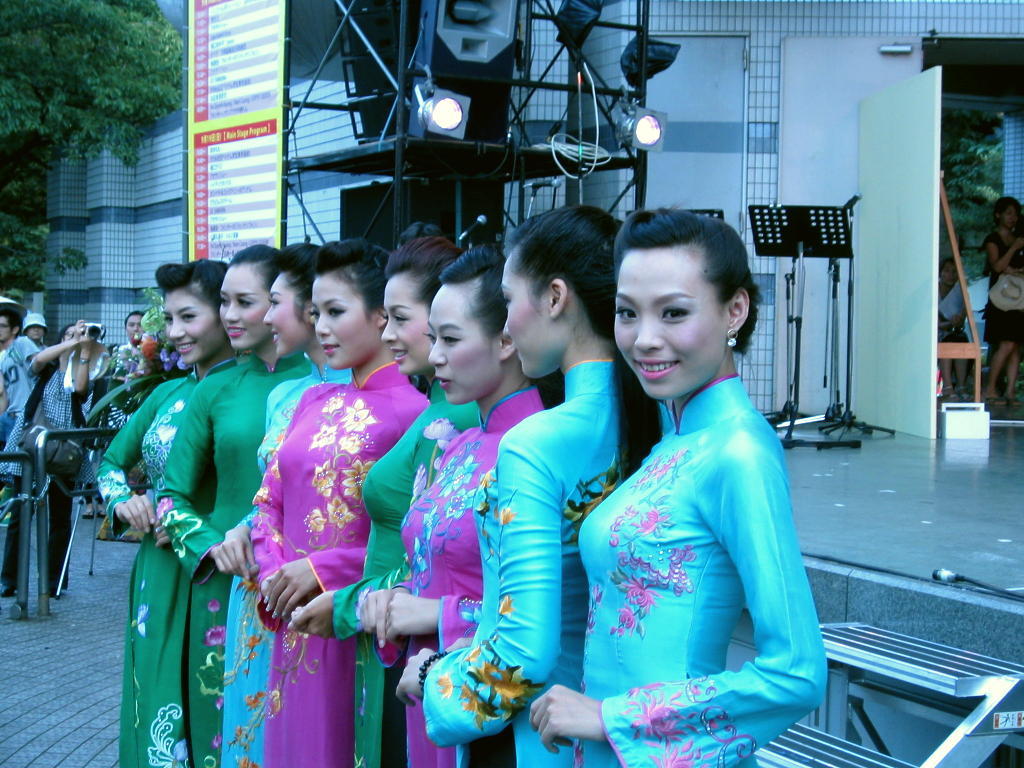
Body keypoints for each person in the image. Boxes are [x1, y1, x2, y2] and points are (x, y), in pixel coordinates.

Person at [529, 208, 826, 767]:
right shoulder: (673, 441)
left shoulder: (739, 452)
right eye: (627, 313)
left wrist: (612, 718)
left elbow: (798, 674)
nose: (644, 339)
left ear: (735, 310)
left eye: (673, 313)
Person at [415, 206, 650, 768]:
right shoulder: (650, 423)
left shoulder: (534, 442)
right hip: (615, 727)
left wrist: (433, 681)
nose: (507, 324)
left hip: (530, 739)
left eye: (508, 299)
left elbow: (522, 655)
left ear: (554, 298)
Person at [289, 236, 478, 768]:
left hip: (419, 637)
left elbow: (434, 558)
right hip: (387, 629)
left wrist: (346, 602)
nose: (388, 332)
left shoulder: (450, 420)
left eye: (400, 318)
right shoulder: (434, 410)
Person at [357, 245, 543, 768]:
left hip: (488, 707)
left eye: (452, 339)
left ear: (506, 340)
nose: (436, 355)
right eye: (434, 338)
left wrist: (437, 613)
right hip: (426, 684)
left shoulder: (535, 450)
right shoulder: (460, 445)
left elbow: (552, 614)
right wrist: (398, 596)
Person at [250, 238, 428, 768]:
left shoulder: (417, 415)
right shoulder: (312, 399)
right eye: (316, 313)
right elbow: (268, 501)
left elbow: (414, 544)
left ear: (380, 316)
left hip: (356, 621)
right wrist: (276, 577)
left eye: (335, 312)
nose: (321, 327)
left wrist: (322, 571)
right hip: (291, 615)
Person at [155, 245, 308, 768]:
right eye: (224, 301)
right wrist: (211, 545)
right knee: (218, 726)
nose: (230, 315)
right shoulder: (216, 390)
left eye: (246, 302)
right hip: (224, 577)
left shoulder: (325, 385)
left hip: (299, 579)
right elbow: (170, 496)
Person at [217, 242, 352, 768]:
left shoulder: (362, 395)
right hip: (259, 581)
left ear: (312, 308)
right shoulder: (285, 395)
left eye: (275, 303)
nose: (267, 317)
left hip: (313, 587)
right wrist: (241, 529)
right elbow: (271, 494)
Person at [96, 260, 235, 768]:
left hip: (220, 567)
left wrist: (194, 525)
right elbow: (110, 463)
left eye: (189, 317)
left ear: (227, 314)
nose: (176, 333)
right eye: (170, 320)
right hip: (158, 569)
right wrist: (123, 500)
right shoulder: (166, 394)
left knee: (214, 700)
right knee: (154, 688)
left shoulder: (257, 394)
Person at [0, 321, 100, 597]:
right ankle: (9, 579)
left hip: (64, 453)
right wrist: (72, 342)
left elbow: (81, 388)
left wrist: (83, 350)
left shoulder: (86, 369)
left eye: (78, 336)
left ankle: (53, 581)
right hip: (31, 448)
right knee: (21, 514)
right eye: (68, 335)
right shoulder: (44, 371)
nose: (75, 339)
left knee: (59, 518)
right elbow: (38, 360)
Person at [981, 196, 1024, 406]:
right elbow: (997, 266)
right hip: (1001, 299)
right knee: (1006, 343)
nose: (1012, 218)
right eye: (1008, 213)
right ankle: (989, 388)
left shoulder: (1020, 238)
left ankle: (1010, 391)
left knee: (1016, 346)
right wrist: (1014, 248)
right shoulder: (993, 239)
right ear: (998, 215)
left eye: (1015, 214)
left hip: (1019, 298)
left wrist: (1015, 269)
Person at [0, 306, 40, 443]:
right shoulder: (3, 356)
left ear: (15, 329)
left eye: (3, 326)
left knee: (18, 454)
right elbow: (3, 391)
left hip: (25, 414)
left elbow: (39, 362)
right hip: (9, 415)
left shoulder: (22, 342)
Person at [937, 257, 969, 400]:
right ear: (941, 273)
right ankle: (948, 386)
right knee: (948, 343)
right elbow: (932, 323)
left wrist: (957, 321)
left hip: (952, 333)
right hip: (935, 334)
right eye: (947, 271)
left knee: (960, 342)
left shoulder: (960, 293)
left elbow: (962, 319)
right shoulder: (933, 291)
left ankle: (961, 385)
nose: (951, 275)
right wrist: (949, 323)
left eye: (954, 272)